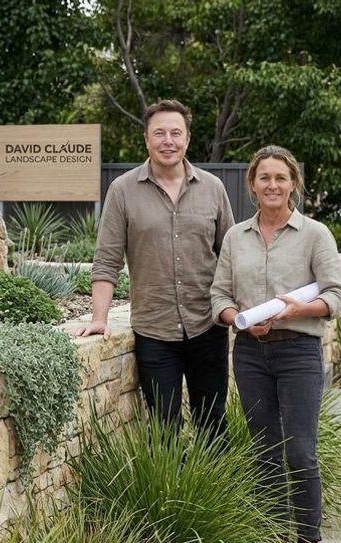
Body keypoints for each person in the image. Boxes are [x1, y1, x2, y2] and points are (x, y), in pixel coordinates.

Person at [210, 145, 341, 543]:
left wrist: (295, 311)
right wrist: (241, 321)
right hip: (250, 352)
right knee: (265, 449)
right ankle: (274, 536)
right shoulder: (236, 237)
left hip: (299, 353)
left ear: (294, 184)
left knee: (301, 451)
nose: (272, 185)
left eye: (280, 178)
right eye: (264, 177)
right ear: (252, 184)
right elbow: (219, 297)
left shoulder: (315, 234)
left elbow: (336, 295)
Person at [75, 99, 235, 439]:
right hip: (154, 331)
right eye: (159, 133)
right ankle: (175, 492)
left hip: (207, 326)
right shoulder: (123, 190)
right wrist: (99, 319)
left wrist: (237, 311)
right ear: (146, 139)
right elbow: (107, 260)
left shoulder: (213, 189)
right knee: (164, 428)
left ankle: (216, 490)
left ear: (188, 139)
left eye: (176, 133)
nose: (168, 140)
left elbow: (231, 257)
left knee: (213, 422)